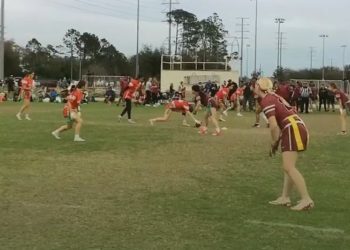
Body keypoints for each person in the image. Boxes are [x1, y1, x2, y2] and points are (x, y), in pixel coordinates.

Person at [255, 77, 314, 211]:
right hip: (294, 126)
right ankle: (285, 197)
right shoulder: (273, 96)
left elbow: (274, 126)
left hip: (292, 128)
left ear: (259, 87)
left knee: (288, 167)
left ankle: (306, 199)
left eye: (256, 85)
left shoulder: (267, 100)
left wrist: (274, 142)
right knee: (288, 166)